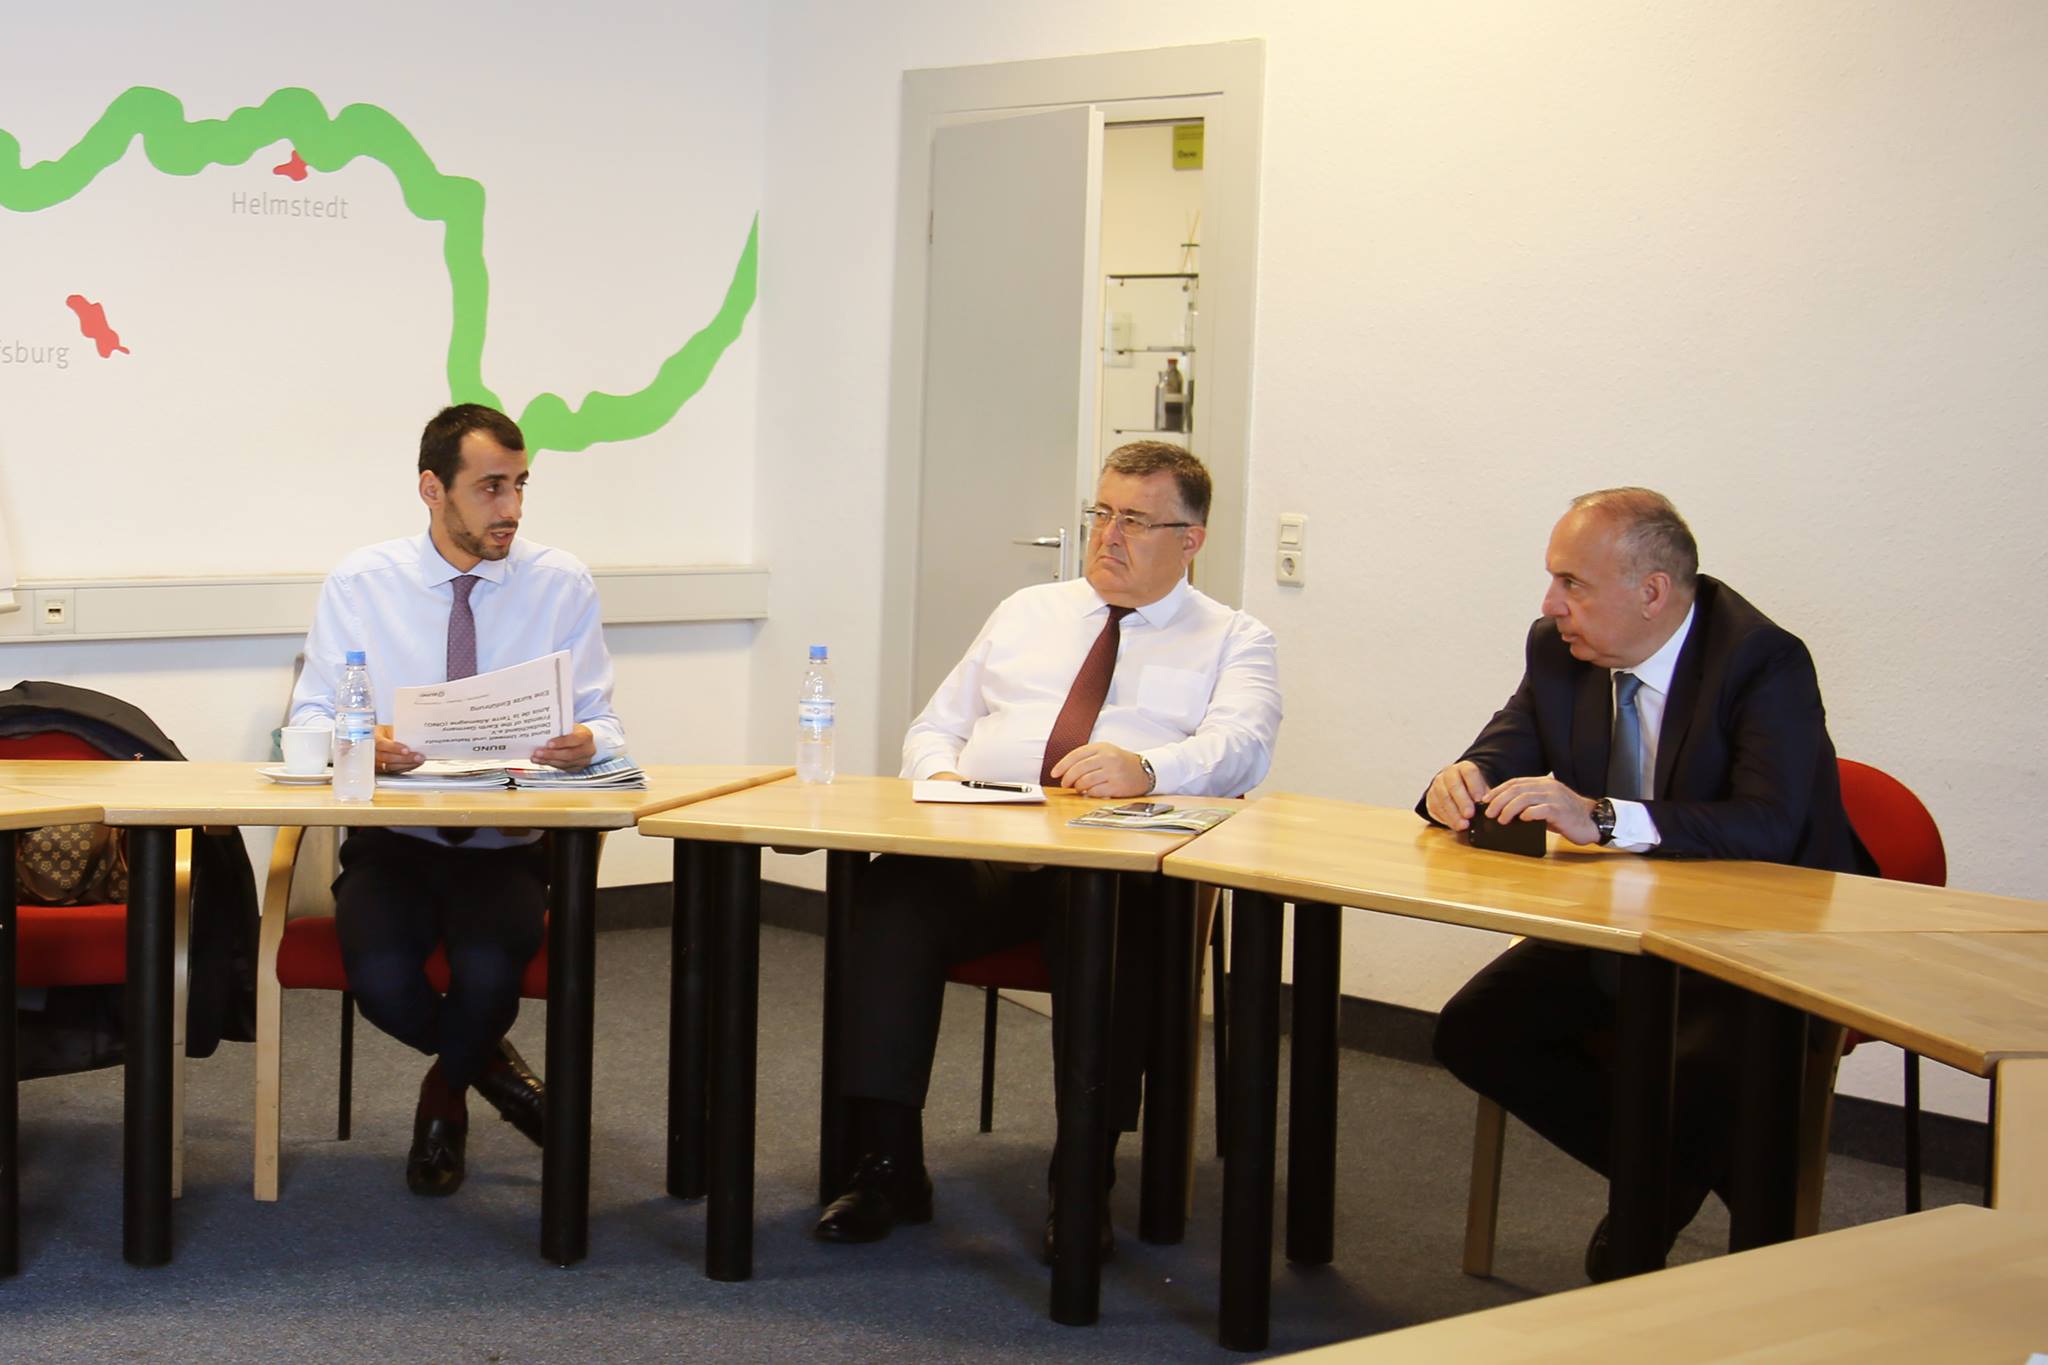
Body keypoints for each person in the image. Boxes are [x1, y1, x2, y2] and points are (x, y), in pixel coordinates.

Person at [816, 441, 1282, 1257]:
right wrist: (941, 783)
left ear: (1191, 539)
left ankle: (1083, 1177)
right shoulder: (1027, 611)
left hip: (1115, 863)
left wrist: (1149, 768)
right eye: (1102, 513)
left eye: (1135, 520)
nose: (1109, 535)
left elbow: (1243, 746)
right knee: (888, 896)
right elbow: (935, 726)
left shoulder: (1233, 637)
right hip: (987, 847)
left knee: (1108, 919)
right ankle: (889, 1164)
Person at [1420, 487, 1872, 1279]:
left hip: (1768, 939)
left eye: (1572, 582)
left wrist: (1602, 816)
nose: (1550, 603)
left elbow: (1770, 824)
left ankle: (1665, 1226)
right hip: (1628, 923)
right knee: (1474, 1029)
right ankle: (1664, 1186)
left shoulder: (1761, 659)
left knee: (1706, 1071)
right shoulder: (1559, 648)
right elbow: (1499, 751)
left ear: (1652, 593)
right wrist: (1458, 781)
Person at [288, 403, 626, 1197]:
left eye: (520, 485)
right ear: (432, 489)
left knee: (487, 970)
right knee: (382, 982)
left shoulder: (560, 583)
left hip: (506, 842)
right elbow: (308, 718)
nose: (512, 508)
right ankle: (498, 1074)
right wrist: (356, 738)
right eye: (490, 487)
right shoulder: (363, 582)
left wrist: (587, 741)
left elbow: (606, 722)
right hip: (394, 843)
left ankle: (445, 1096)